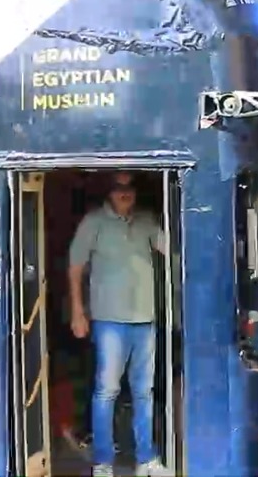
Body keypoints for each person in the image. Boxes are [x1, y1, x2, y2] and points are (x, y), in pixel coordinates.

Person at [68, 172, 169, 477]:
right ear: (109, 193)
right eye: (119, 188)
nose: (125, 193)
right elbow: (75, 267)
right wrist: (78, 311)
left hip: (145, 320)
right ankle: (103, 462)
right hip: (109, 321)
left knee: (144, 392)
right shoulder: (94, 222)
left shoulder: (146, 221)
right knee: (107, 391)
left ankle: (146, 460)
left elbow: (172, 248)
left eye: (130, 188)